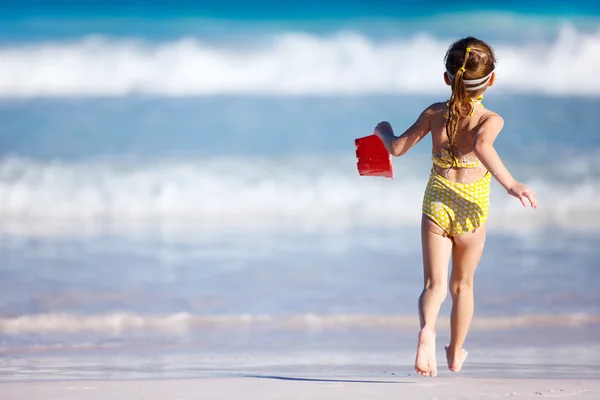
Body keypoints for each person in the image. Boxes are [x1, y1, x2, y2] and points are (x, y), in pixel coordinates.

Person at [373, 36, 538, 377]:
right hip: (471, 207)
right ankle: (454, 352)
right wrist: (511, 183)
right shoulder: (490, 120)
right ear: (491, 80)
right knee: (462, 286)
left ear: (448, 78)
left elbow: (398, 148)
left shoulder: (434, 113)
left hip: (437, 200)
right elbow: (481, 146)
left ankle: (427, 330)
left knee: (433, 285)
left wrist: (382, 131)